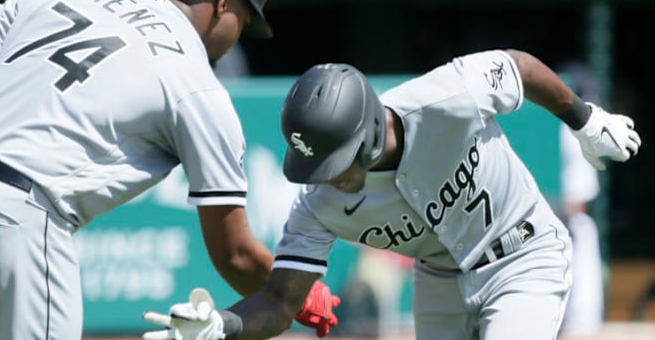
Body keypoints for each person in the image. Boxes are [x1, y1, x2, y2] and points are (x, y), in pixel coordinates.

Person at [0, 0, 338, 340]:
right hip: (15, 216)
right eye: (243, 22)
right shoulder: (197, 85)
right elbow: (235, 255)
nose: (237, 37)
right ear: (224, 2)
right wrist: (294, 289)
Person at [141, 48, 642, 340]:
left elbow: (519, 68)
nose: (325, 178)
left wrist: (585, 118)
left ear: (371, 135)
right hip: (439, 278)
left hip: (523, 253)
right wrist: (223, 326)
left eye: (334, 164)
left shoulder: (448, 96)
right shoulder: (316, 204)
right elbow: (279, 299)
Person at [556, 61, 604, 338]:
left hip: (556, 226)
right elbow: (578, 199)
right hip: (566, 226)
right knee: (578, 321)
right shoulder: (574, 131)